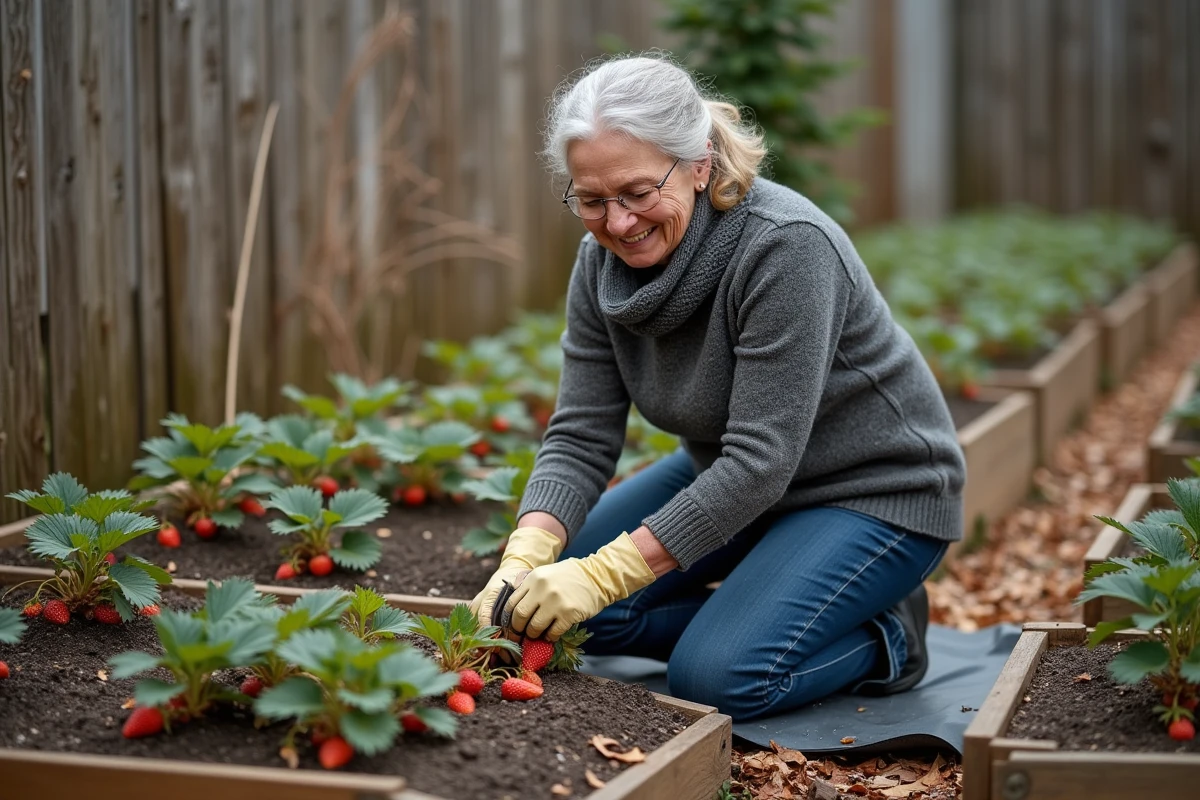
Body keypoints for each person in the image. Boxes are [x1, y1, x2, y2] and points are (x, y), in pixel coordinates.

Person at [469, 54, 966, 722]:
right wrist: (527, 552)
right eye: (592, 200)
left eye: (639, 193)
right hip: (733, 479)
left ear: (700, 164)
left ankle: (888, 635)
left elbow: (762, 459)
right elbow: (582, 430)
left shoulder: (784, 247)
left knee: (718, 676)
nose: (618, 223)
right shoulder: (601, 265)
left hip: (876, 492)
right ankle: (774, 603)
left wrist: (604, 575)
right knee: (557, 617)